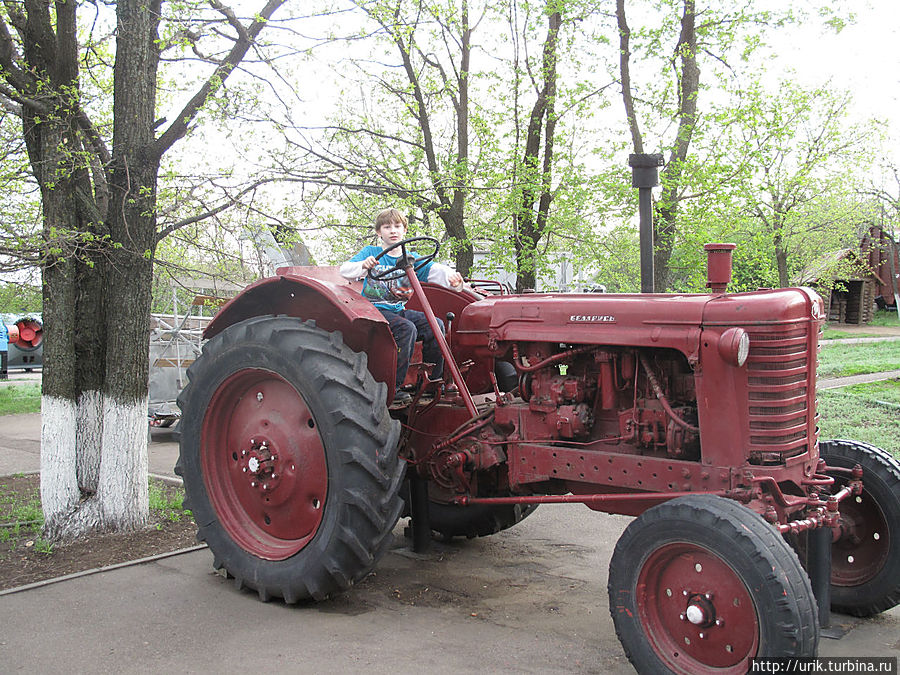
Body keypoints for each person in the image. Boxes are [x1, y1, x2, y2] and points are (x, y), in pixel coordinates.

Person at [340, 208, 463, 403]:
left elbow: (435, 270)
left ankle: (431, 381)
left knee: (436, 325)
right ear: (379, 232)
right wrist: (363, 265)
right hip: (375, 311)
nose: (393, 230)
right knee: (407, 329)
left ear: (404, 230)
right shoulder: (371, 254)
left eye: (397, 226)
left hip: (397, 310)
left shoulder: (411, 259)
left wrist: (452, 279)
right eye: (387, 227)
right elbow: (345, 270)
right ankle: (393, 388)